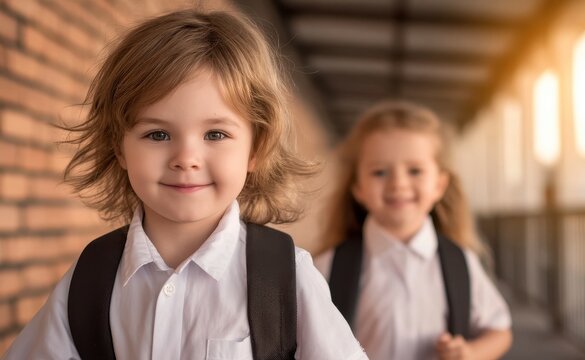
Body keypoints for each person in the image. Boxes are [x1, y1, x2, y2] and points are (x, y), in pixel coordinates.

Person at [4, 9, 366, 360]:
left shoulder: (285, 276)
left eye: (216, 134)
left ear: (255, 148)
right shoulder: (91, 277)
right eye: (158, 134)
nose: (186, 157)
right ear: (120, 148)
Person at [314, 101, 512, 360]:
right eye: (380, 172)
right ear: (358, 188)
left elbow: (499, 331)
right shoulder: (327, 268)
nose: (398, 183)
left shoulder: (460, 264)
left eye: (415, 170)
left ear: (439, 185)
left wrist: (470, 353)